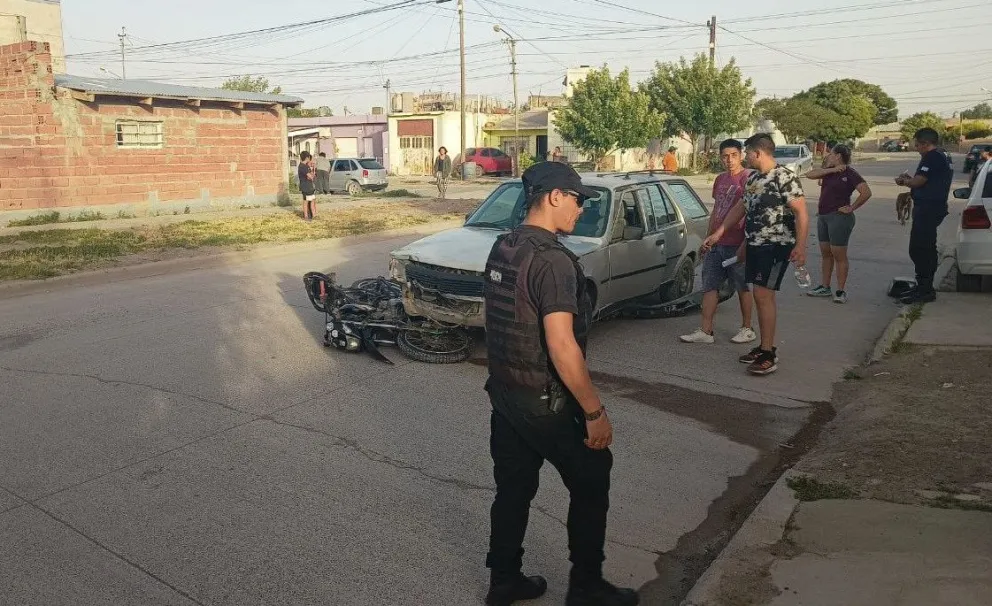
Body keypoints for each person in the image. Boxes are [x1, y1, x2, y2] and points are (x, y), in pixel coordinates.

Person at [482, 162, 638, 606]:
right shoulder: (552, 261)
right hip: (544, 401)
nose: (580, 209)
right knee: (593, 479)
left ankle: (504, 580)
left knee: (513, 487)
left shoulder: (504, 246)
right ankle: (587, 587)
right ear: (553, 197)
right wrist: (594, 412)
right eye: (577, 199)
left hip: (506, 393)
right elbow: (562, 346)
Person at [703, 133, 809, 376]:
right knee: (761, 295)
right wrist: (719, 233)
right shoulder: (754, 179)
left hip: (776, 246)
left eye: (747, 152)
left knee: (763, 295)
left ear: (758, 152)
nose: (745, 156)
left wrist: (800, 247)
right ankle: (763, 347)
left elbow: (801, 213)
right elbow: (740, 209)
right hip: (755, 245)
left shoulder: (784, 177)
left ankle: (769, 352)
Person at [680, 139, 756, 345]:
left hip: (737, 241)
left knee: (742, 286)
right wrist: (708, 237)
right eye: (725, 156)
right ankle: (706, 330)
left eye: (733, 155)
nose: (729, 160)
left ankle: (747, 328)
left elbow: (752, 213)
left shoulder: (749, 178)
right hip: (717, 242)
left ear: (741, 155)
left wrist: (746, 243)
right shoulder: (721, 179)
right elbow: (717, 209)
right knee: (709, 285)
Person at [803, 144, 873, 304]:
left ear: (839, 156)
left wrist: (852, 207)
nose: (828, 155)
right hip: (824, 216)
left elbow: (866, 192)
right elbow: (810, 175)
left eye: (832, 153)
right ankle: (824, 286)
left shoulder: (850, 173)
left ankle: (840, 291)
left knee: (838, 254)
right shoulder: (830, 172)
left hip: (839, 218)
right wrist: (830, 169)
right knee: (826, 253)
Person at [895, 127, 953, 304]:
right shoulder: (942, 156)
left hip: (928, 208)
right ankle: (922, 286)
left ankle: (925, 289)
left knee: (920, 249)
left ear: (926, 143)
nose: (916, 147)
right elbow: (926, 179)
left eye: (917, 144)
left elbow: (920, 181)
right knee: (925, 247)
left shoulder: (932, 157)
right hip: (932, 207)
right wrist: (911, 179)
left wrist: (904, 181)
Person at [297, 151, 317, 221]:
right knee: (306, 201)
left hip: (309, 186)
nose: (310, 159)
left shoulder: (306, 166)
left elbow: (311, 176)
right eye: (309, 157)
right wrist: (312, 174)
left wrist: (313, 170)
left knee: (312, 200)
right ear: (307, 158)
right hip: (305, 186)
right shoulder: (302, 167)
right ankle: (306, 216)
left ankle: (314, 215)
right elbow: (311, 177)